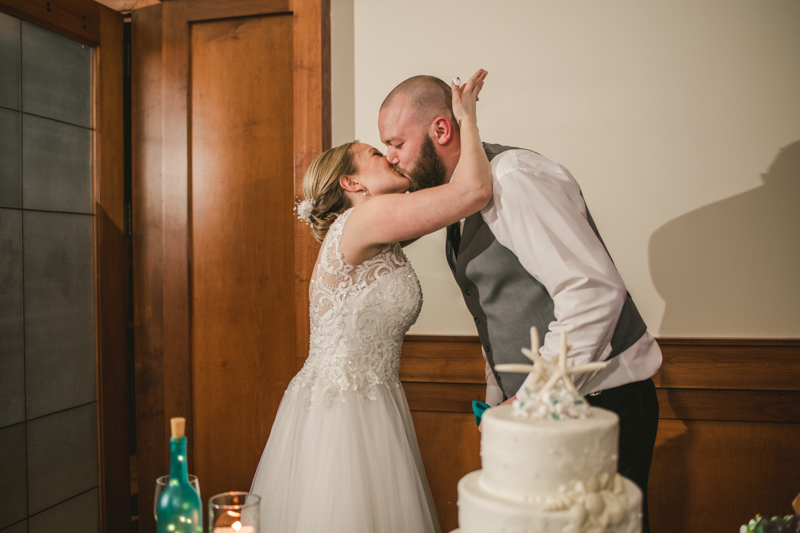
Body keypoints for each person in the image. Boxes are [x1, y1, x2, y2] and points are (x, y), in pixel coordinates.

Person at [378, 75, 663, 533]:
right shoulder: (462, 198)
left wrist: (530, 403)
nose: (390, 158)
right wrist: (499, 403)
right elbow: (504, 312)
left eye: (395, 143)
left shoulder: (512, 177)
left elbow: (591, 292)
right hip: (543, 410)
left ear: (441, 131)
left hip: (602, 402)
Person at [249, 70, 491, 533]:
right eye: (378, 154)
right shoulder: (367, 220)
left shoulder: (382, 230)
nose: (394, 158)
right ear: (352, 185)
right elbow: (473, 192)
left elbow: (452, 198)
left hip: (368, 400)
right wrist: (466, 118)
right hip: (346, 410)